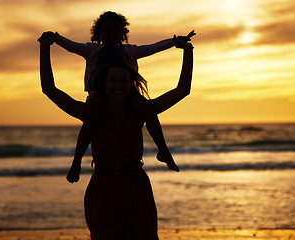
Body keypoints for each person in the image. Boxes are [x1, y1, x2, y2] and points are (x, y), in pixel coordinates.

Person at [39, 30, 193, 239]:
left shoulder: (139, 114)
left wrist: (188, 51)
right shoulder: (91, 114)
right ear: (104, 84)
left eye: (124, 81)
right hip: (103, 187)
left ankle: (163, 152)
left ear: (131, 85)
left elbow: (182, 90)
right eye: (113, 81)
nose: (118, 85)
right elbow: (49, 89)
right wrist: (45, 47)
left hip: (136, 185)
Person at [39, 11, 195, 172]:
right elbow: (71, 46)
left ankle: (163, 151)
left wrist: (174, 42)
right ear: (98, 33)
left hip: (130, 94)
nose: (111, 34)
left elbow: (153, 48)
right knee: (90, 119)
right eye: (107, 30)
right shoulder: (91, 50)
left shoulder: (130, 51)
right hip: (97, 93)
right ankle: (76, 161)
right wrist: (55, 39)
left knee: (149, 111)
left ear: (122, 34)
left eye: (116, 31)